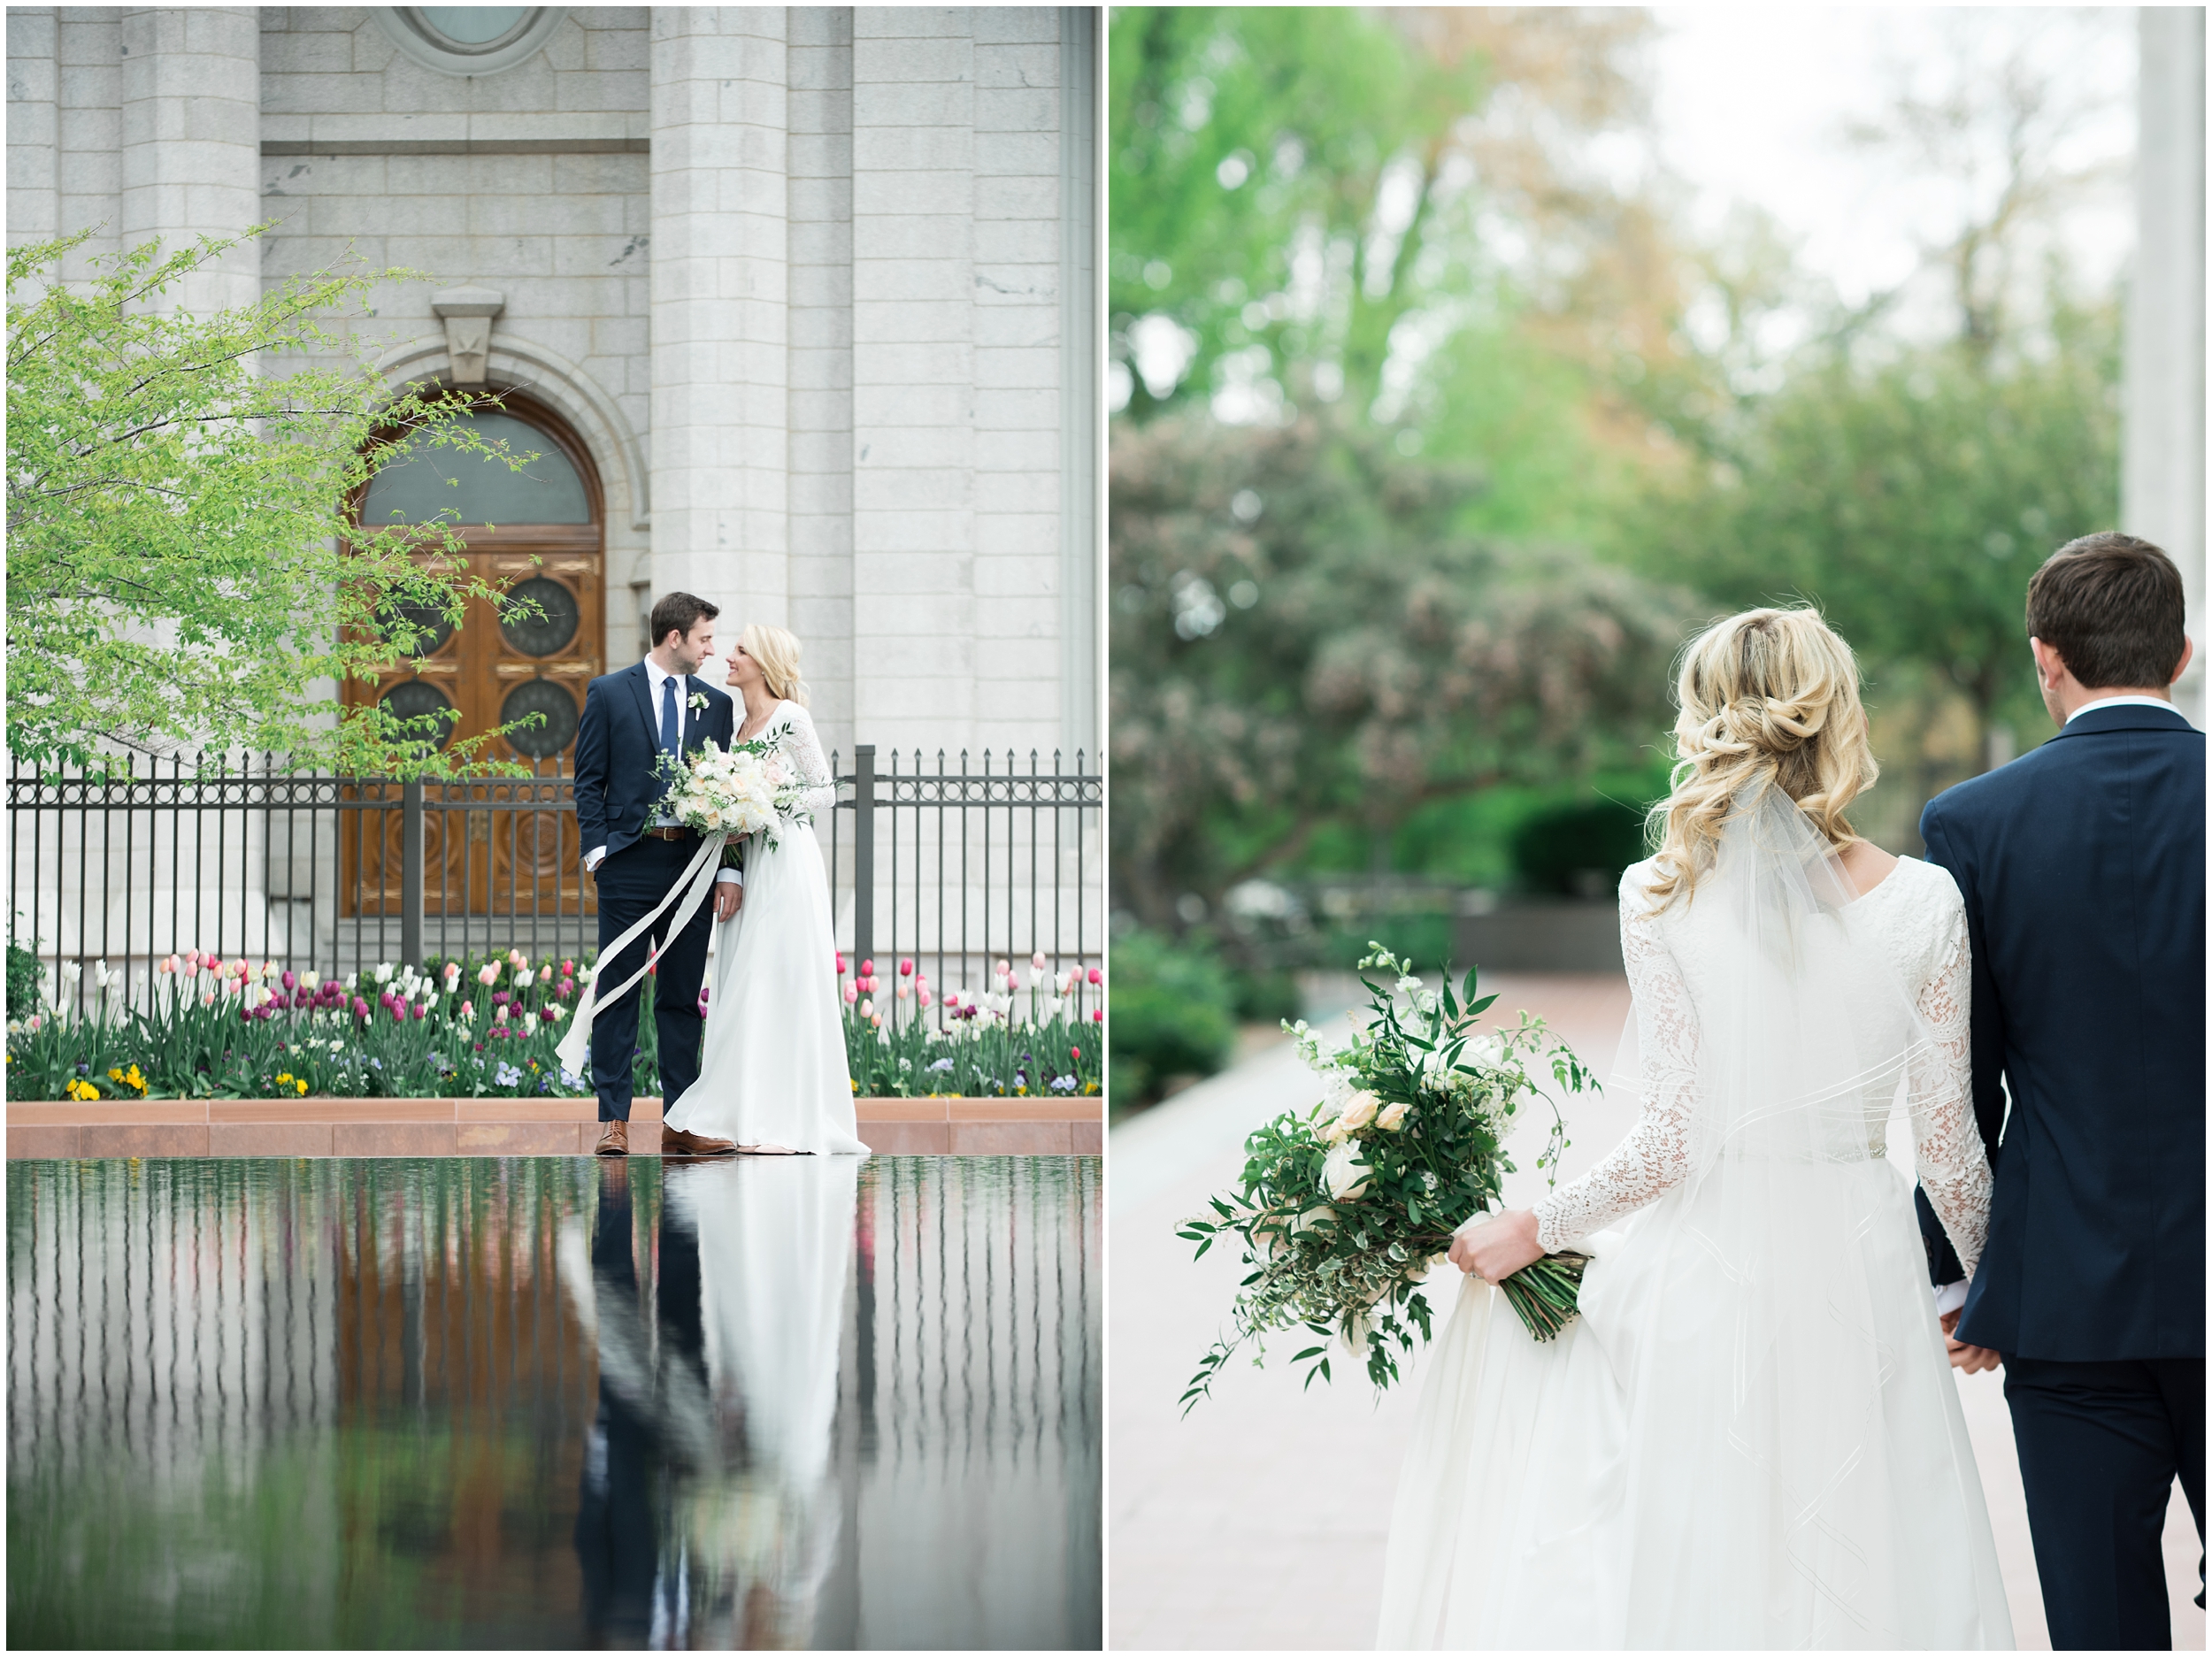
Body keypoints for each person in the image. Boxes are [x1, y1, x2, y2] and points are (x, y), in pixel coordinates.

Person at [1380, 608, 2012, 1649]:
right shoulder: (1925, 901)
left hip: (1709, 1262)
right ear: (1837, 719)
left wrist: (1534, 1222)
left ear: (1704, 720)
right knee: (1872, 1537)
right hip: (1858, 1261)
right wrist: (1987, 1289)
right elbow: (1947, 1144)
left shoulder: (1660, 892)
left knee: (1704, 1550)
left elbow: (1674, 1136)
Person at [1916, 532, 2203, 1649]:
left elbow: (1957, 1084)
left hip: (2068, 1301)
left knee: (2098, 1625)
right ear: (2180, 652)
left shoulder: (1971, 824)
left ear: (2046, 659)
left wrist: (1962, 1275)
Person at [661, 624, 868, 1156]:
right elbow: (730, 814)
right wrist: (731, 856)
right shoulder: (737, 727)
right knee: (743, 978)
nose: (729, 657)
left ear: (765, 663)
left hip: (786, 860)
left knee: (779, 975)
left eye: (741, 651)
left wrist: (766, 798)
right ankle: (743, 1112)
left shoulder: (790, 718)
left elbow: (824, 790)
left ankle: (786, 1119)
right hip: (749, 861)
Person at [572, 591, 743, 1158]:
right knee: (618, 990)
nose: (711, 650)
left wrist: (726, 871)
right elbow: (588, 780)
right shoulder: (609, 692)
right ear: (676, 639)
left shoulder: (716, 706)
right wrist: (599, 853)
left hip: (690, 865)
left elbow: (725, 797)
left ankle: (680, 1120)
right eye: (704, 639)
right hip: (628, 863)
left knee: (678, 995)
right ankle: (613, 1122)